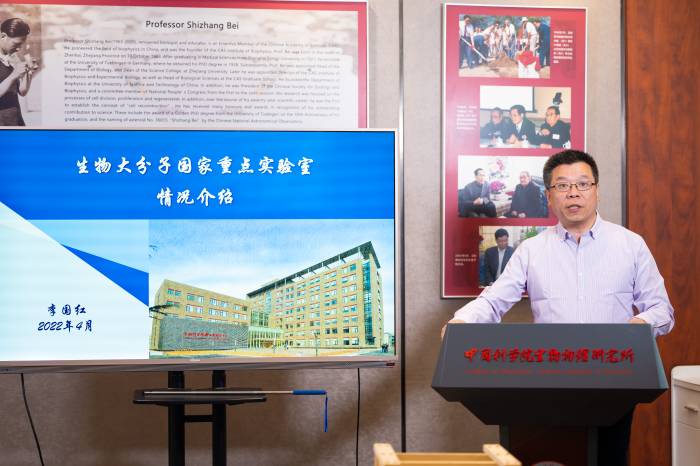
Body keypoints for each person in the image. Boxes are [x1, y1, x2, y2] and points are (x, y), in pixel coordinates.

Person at [443, 150, 675, 465]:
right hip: (547, 382)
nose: (573, 193)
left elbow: (662, 309)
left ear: (597, 190)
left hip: (613, 380)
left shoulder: (630, 245)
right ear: (550, 197)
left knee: (608, 458)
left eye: (583, 184)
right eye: (562, 185)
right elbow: (494, 299)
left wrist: (636, 329)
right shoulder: (531, 250)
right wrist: (461, 323)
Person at [0, 18, 35, 126]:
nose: (18, 48)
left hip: (15, 121)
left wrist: (29, 72)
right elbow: (13, 76)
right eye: (16, 44)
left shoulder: (12, 57)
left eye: (21, 45)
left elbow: (22, 91)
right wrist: (14, 75)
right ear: (3, 36)